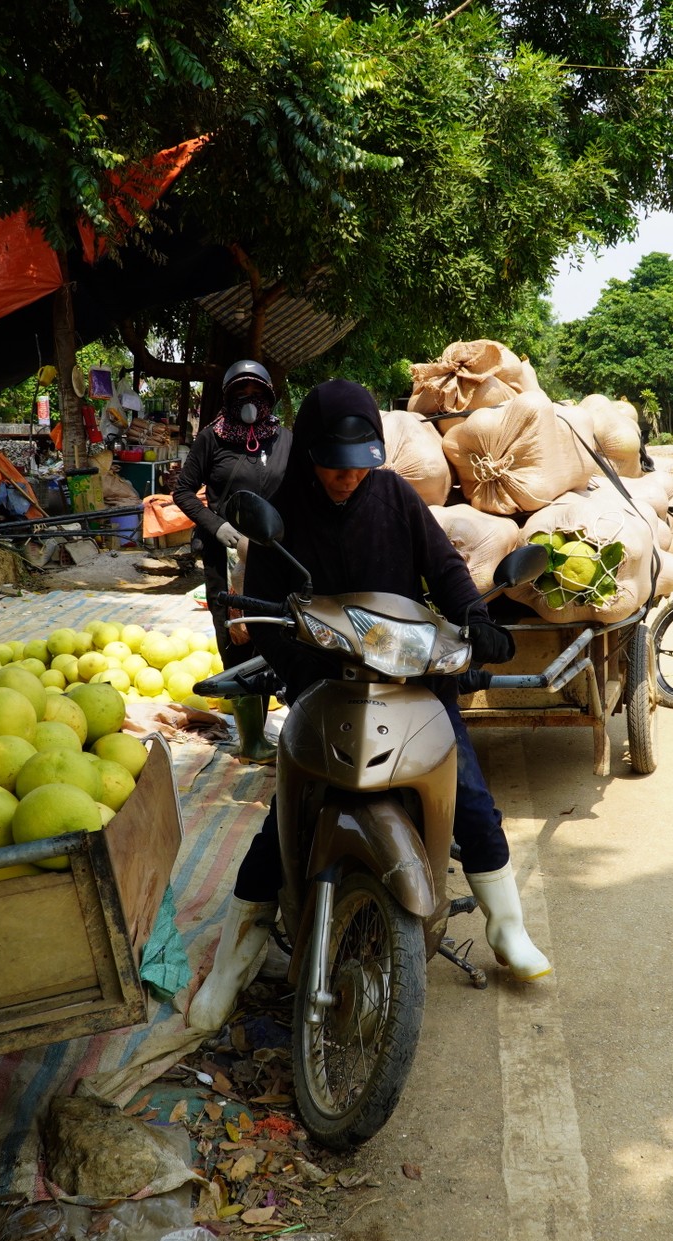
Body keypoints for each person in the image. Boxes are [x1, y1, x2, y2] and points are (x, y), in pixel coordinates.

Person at [185, 381, 548, 1032]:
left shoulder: (397, 498)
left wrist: (476, 620)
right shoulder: (282, 505)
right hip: (323, 680)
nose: (347, 476)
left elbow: (446, 571)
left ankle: (507, 926)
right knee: (285, 817)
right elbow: (264, 612)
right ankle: (231, 968)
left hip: (411, 678)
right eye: (334, 462)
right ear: (310, 453)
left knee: (468, 793)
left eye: (359, 462)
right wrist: (300, 665)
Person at [173, 360, 295, 762]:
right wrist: (219, 527)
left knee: (277, 634)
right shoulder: (212, 439)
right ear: (228, 400)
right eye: (240, 395)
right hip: (225, 560)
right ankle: (252, 740)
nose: (248, 402)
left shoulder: (284, 440)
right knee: (237, 640)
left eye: (255, 395)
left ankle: (285, 726)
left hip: (276, 557)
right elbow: (184, 491)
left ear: (268, 398)